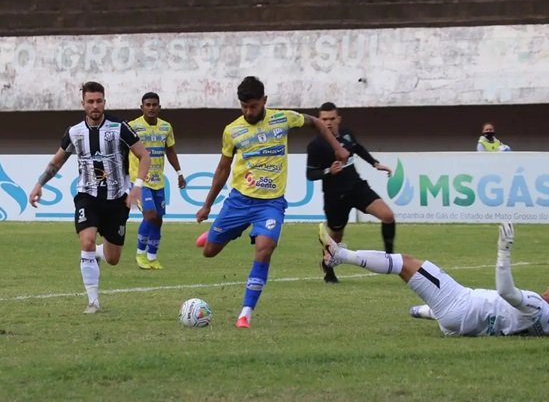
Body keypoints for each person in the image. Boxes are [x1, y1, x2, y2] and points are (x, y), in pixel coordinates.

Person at [195, 76, 349, 329]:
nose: (248, 111)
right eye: (244, 107)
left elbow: (317, 123)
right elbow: (223, 168)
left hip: (270, 204)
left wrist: (337, 148)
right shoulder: (232, 130)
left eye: (253, 106)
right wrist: (207, 205)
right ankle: (220, 233)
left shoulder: (283, 119)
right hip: (239, 201)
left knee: (265, 249)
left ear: (264, 101)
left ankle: (245, 313)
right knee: (209, 251)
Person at [319, 222, 549, 336]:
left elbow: (507, 292)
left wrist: (504, 251)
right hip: (464, 325)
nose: (548, 286)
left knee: (406, 263)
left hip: (461, 303)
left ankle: (339, 256)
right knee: (428, 292)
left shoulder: (536, 304)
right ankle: (420, 311)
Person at [28, 81, 150, 313]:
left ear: (104, 102)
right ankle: (93, 301)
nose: (95, 106)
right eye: (90, 101)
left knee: (113, 258)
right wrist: (39, 184)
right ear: (83, 103)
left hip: (117, 199)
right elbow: (56, 162)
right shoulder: (74, 132)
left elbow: (144, 156)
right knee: (87, 241)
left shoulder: (119, 128)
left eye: (99, 101)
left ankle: (95, 254)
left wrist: (138, 186)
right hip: (88, 196)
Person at [306, 102, 396, 283]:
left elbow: (358, 148)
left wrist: (375, 163)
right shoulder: (316, 145)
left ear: (338, 119)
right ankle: (328, 269)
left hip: (357, 188)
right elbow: (310, 174)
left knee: (387, 215)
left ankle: (390, 259)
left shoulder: (346, 134)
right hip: (335, 196)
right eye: (324, 119)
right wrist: (328, 171)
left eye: (332, 118)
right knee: (335, 237)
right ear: (319, 121)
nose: (328, 122)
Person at [128, 92, 186, 270]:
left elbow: (170, 151)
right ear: (142, 107)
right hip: (139, 180)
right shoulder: (132, 127)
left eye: (154, 105)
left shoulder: (166, 127)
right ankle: (140, 254)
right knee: (150, 215)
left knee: (158, 219)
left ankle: (152, 257)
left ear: (159, 107)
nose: (151, 108)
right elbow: (123, 150)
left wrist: (179, 172)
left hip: (158, 181)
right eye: (148, 105)